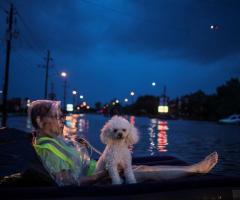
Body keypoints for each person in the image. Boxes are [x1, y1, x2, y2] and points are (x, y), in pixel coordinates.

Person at [29, 100, 218, 186]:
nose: (61, 120)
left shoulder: (55, 140)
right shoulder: (47, 148)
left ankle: (192, 169)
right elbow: (68, 183)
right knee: (140, 171)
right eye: (56, 117)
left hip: (94, 169)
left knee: (139, 166)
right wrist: (102, 174)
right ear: (39, 121)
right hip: (95, 179)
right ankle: (195, 170)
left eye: (60, 116)